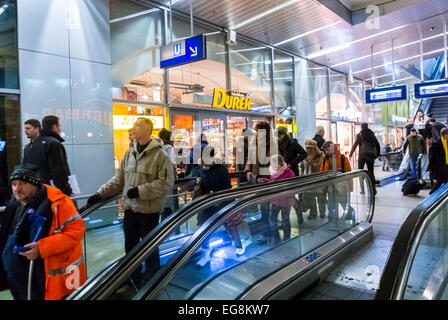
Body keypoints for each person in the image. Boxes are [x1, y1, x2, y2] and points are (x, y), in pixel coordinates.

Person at [84, 117, 174, 286]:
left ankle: (152, 282)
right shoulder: (130, 153)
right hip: (130, 212)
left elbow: (166, 182)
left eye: (138, 124)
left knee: (150, 250)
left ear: (148, 130)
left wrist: (140, 191)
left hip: (148, 213)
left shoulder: (160, 155)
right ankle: (133, 279)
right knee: (130, 249)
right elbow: (119, 180)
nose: (134, 127)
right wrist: (99, 194)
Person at [0, 163, 86, 300]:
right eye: (14, 184)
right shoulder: (14, 205)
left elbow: (76, 231)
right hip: (16, 277)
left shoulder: (58, 203)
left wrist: (41, 248)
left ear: (35, 184)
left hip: (41, 277)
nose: (17, 189)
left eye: (22, 183)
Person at [22, 115, 72, 196]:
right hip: (51, 192)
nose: (60, 128)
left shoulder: (31, 146)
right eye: (59, 126)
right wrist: (67, 191)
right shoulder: (54, 143)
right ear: (54, 126)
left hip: (36, 190)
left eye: (28, 128)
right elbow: (58, 172)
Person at [321, 141, 355, 222]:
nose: (326, 152)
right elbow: (322, 172)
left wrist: (350, 187)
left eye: (327, 149)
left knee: (343, 202)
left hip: (342, 186)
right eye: (325, 150)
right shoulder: (325, 159)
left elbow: (349, 173)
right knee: (331, 203)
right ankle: (332, 218)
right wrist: (324, 186)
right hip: (330, 185)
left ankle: (351, 215)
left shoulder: (343, 158)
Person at [349, 123, 380, 195]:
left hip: (362, 156)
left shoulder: (360, 134)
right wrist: (377, 154)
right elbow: (377, 144)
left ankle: (362, 190)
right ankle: (373, 189)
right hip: (370, 156)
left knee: (360, 173)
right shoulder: (371, 134)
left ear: (361, 127)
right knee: (371, 173)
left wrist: (350, 154)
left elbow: (355, 145)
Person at [300, 140, 326, 219]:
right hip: (308, 180)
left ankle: (322, 212)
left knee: (321, 198)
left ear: (315, 148)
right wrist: (302, 175)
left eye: (310, 148)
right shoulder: (304, 156)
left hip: (319, 180)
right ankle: (313, 213)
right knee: (310, 198)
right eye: (307, 148)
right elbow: (301, 167)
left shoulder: (322, 156)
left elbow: (324, 168)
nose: (308, 150)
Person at [158, 128, 178, 226]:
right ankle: (172, 228)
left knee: (164, 205)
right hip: (169, 180)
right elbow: (173, 164)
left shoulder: (158, 148)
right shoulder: (170, 148)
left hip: (160, 181)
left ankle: (163, 226)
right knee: (171, 205)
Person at [428, 128, 448, 194]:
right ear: (444, 135)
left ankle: (432, 193)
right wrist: (430, 167)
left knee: (440, 181)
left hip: (446, 165)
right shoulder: (436, 144)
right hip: (441, 165)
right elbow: (431, 156)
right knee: (444, 180)